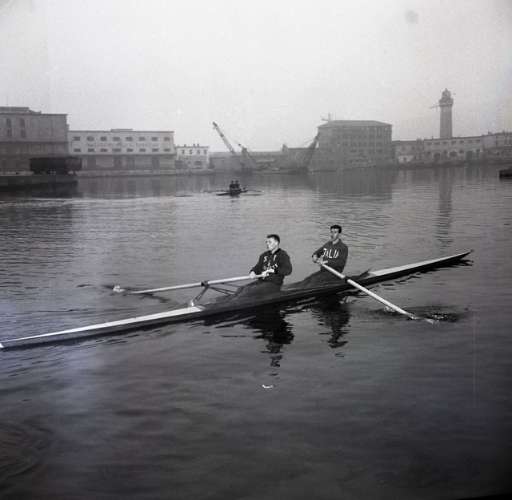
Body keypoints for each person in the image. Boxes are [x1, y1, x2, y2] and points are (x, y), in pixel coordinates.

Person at [233, 234, 292, 299]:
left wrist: (273, 270)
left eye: (269, 242)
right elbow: (257, 267)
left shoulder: (283, 255)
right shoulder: (264, 255)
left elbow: (288, 270)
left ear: (276, 243)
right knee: (240, 289)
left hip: (274, 284)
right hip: (261, 282)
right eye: (266, 242)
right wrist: (252, 272)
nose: (267, 244)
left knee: (247, 292)